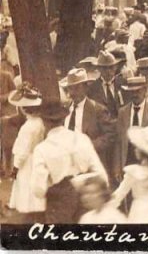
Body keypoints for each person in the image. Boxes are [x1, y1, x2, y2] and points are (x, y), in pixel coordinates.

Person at [30, 101, 108, 223]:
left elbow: (38, 189)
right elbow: (100, 173)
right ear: (63, 120)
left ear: (44, 123)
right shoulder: (82, 138)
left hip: (59, 201)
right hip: (85, 195)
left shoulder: (42, 149)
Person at [61, 68, 116, 176]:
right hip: (68, 166)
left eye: (76, 88)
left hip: (89, 166)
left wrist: (88, 146)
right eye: (70, 89)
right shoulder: (64, 110)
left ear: (85, 87)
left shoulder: (97, 110)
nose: (72, 93)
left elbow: (110, 135)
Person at [110, 126, 148, 222]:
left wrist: (106, 207)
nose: (135, 150)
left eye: (137, 148)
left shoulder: (134, 172)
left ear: (144, 152)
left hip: (140, 212)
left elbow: (119, 194)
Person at [112, 76, 148, 184]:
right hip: (127, 160)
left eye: (138, 91)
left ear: (145, 90)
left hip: (147, 162)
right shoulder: (123, 112)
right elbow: (118, 142)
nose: (134, 94)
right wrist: (117, 167)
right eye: (132, 92)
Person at [7, 86, 46, 220]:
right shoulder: (40, 122)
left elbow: (22, 151)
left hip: (28, 161)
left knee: (26, 186)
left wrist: (15, 167)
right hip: (37, 158)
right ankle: (35, 211)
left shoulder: (28, 127)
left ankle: (30, 213)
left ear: (25, 109)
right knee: (33, 186)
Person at [88, 50, 125, 119]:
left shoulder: (124, 84)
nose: (108, 71)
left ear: (116, 67)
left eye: (111, 67)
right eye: (104, 68)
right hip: (101, 127)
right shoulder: (92, 88)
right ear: (99, 69)